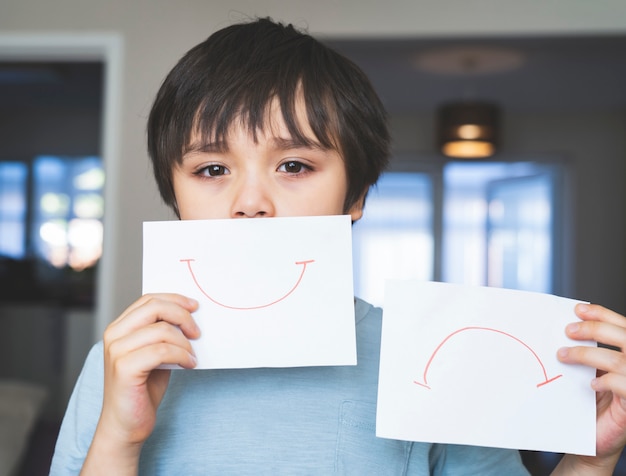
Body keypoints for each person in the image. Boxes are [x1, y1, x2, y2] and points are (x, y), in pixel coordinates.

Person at [50, 17, 626, 475]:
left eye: (294, 164)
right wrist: (119, 438)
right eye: (211, 168)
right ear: (174, 194)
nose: (251, 201)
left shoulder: (427, 356)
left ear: (356, 197)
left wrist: (590, 461)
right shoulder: (126, 359)